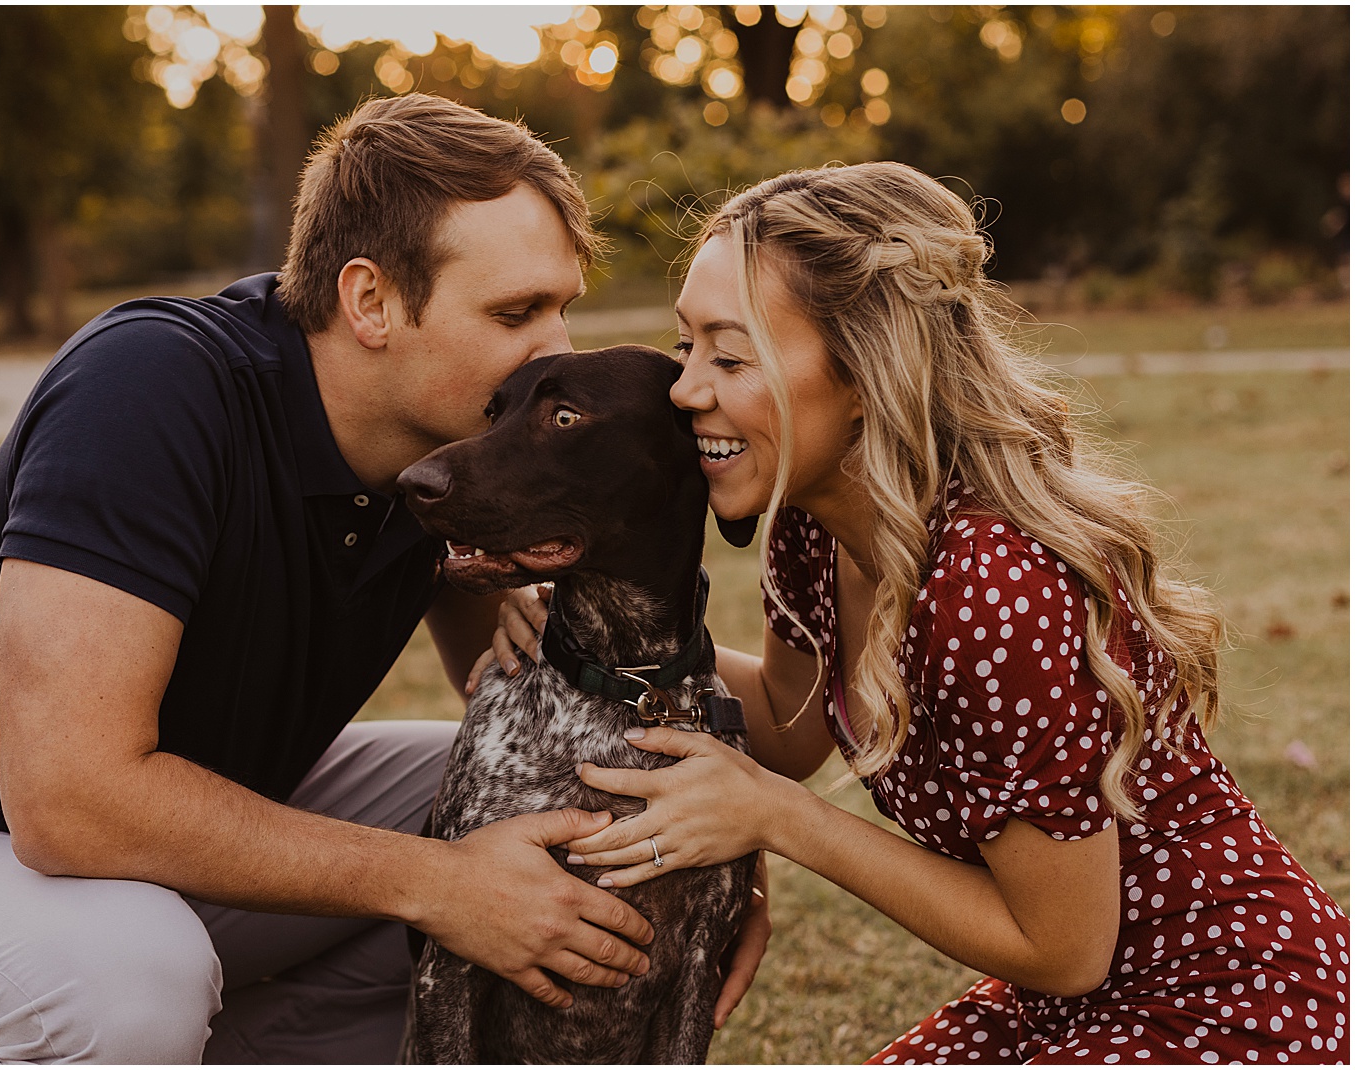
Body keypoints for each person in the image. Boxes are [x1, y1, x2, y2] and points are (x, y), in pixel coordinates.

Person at [0, 93, 767, 1064]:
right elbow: (68, 800)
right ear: (369, 298)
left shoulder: (441, 465)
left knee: (539, 802)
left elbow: (573, 702)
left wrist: (702, 852)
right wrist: (438, 880)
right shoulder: (153, 384)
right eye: (517, 310)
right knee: (123, 977)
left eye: (562, 306)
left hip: (156, 871)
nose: (553, 345)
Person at [480, 162, 1350, 1063]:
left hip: (1229, 1001)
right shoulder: (811, 531)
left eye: (730, 356)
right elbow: (786, 723)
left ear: (863, 373)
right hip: (1059, 1010)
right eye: (687, 345)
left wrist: (779, 818)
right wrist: (583, 629)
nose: (686, 389)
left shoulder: (993, 589)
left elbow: (1065, 950)